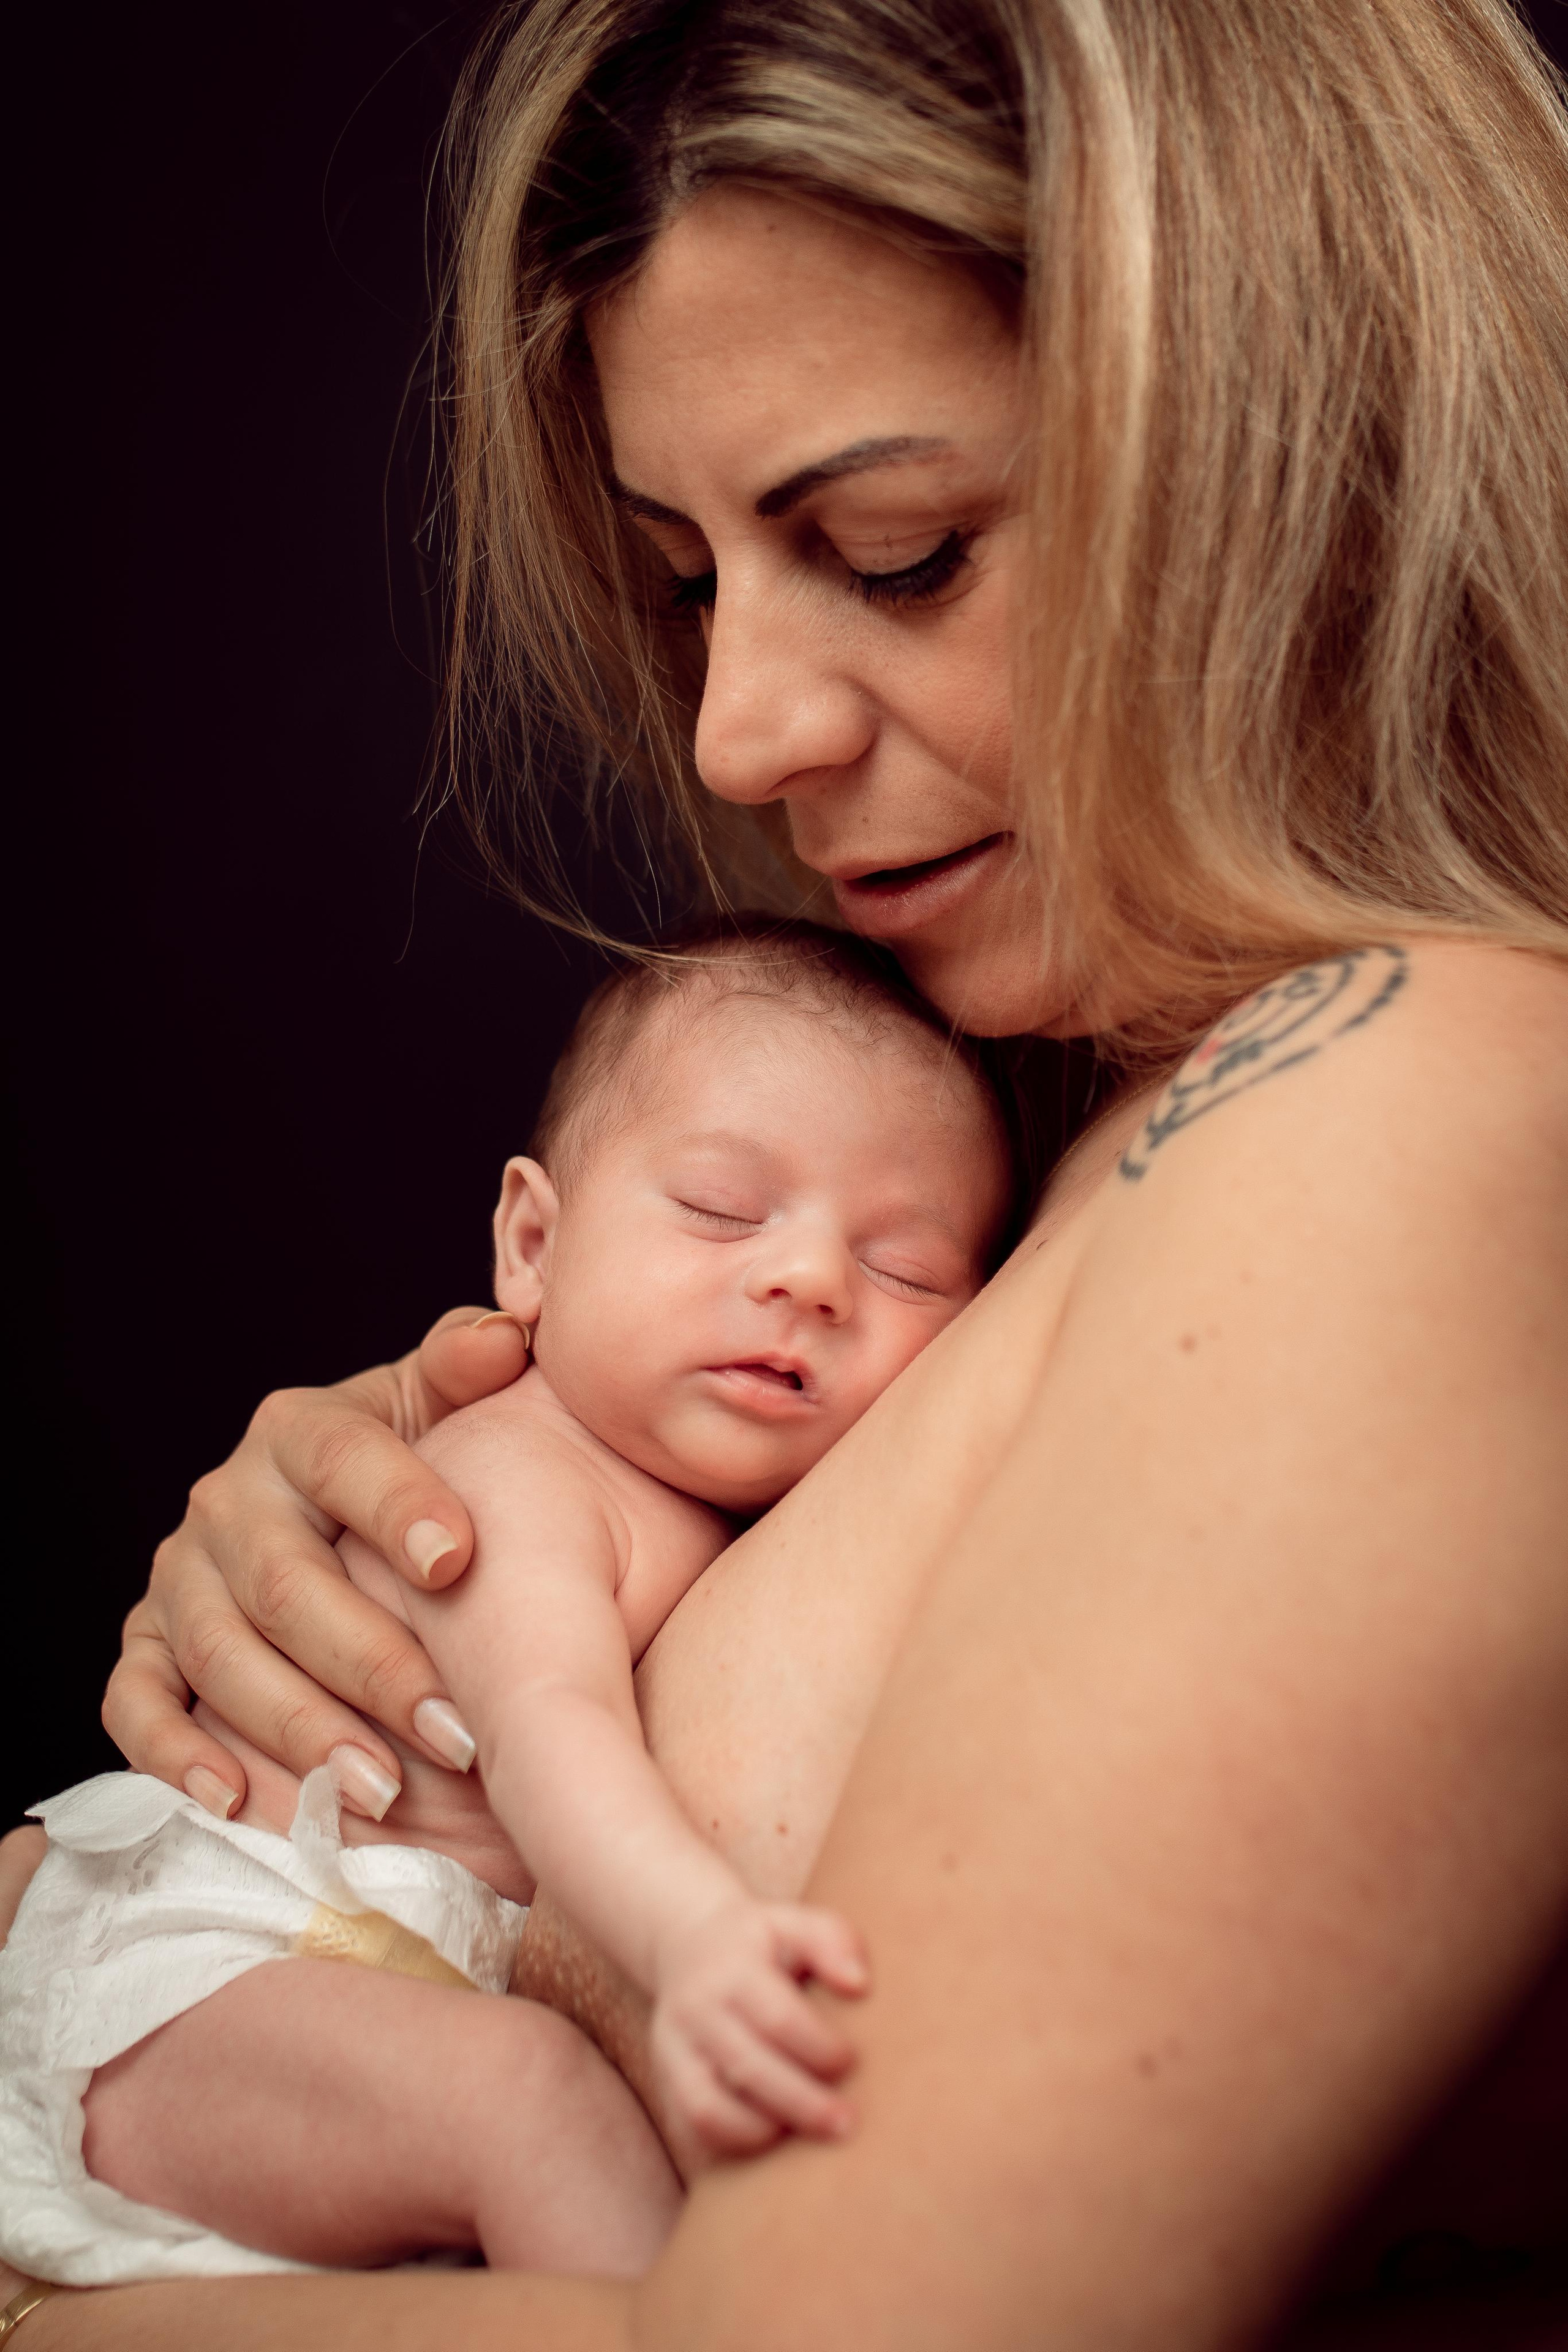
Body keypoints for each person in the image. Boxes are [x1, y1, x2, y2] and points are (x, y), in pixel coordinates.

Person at [4, 0, 1566, 2342]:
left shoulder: (1421, 1088)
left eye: (899, 552)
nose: (740, 735)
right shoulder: (1090, 1096)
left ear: (1310, 447)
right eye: (688, 581)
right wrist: (364, 1559)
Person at [0, 925, 1015, 2280]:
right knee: (530, 2105)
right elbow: (550, 1738)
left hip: (355, 1990)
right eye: (720, 1208)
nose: (812, 1280)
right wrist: (698, 1942)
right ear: (532, 1245)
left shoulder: (739, 1511)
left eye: (903, 1271)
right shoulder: (518, 1481)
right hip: (201, 1973)